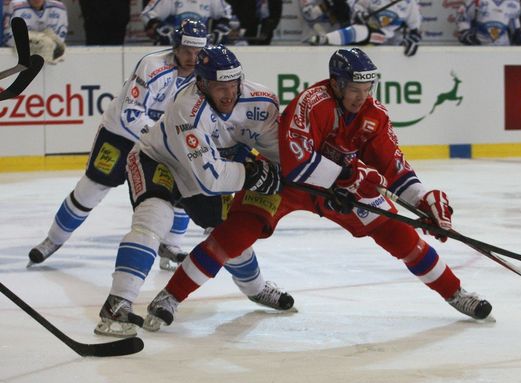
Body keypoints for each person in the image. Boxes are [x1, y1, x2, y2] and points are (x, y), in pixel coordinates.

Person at [145, 48, 492, 332]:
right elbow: (296, 164)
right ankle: (170, 297)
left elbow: (394, 167)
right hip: (287, 181)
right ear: (337, 84)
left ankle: (456, 293)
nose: (361, 97)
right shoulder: (311, 103)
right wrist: (347, 176)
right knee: (234, 236)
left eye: (367, 89)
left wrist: (422, 196)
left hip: (338, 188)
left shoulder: (375, 116)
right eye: (354, 89)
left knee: (398, 233)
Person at [95, 44, 293, 337]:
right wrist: (252, 173)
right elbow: (210, 180)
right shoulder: (186, 108)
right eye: (218, 86)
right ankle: (117, 303)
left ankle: (256, 289)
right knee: (154, 219)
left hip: (207, 168)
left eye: (233, 84)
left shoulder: (261, 102)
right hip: (158, 161)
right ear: (202, 83)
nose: (228, 93)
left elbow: (281, 155)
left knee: (227, 232)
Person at [27, 20, 208, 270]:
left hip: (160, 142)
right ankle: (52, 240)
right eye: (187, 50)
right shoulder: (152, 66)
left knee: (183, 186)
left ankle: (171, 245)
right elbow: (131, 113)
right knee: (91, 188)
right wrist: (166, 140)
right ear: (175, 47)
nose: (192, 57)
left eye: (199, 51)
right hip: (121, 134)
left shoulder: (205, 78)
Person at [308, 0, 422, 57]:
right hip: (360, 30)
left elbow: (414, 30)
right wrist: (359, 14)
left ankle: (327, 39)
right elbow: (357, 6)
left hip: (382, 38)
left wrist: (413, 39)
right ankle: (326, 39)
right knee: (360, 30)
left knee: (364, 32)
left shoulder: (409, 3)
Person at [141, 0, 239, 46]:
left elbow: (228, 14)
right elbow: (147, 14)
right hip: (172, 47)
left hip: (200, 47)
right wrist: (160, 27)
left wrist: (222, 29)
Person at [456, 0, 521, 45]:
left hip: (503, 45)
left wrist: (518, 34)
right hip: (480, 43)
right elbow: (462, 14)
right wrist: (464, 31)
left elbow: (514, 22)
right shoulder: (477, 1)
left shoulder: (514, 3)